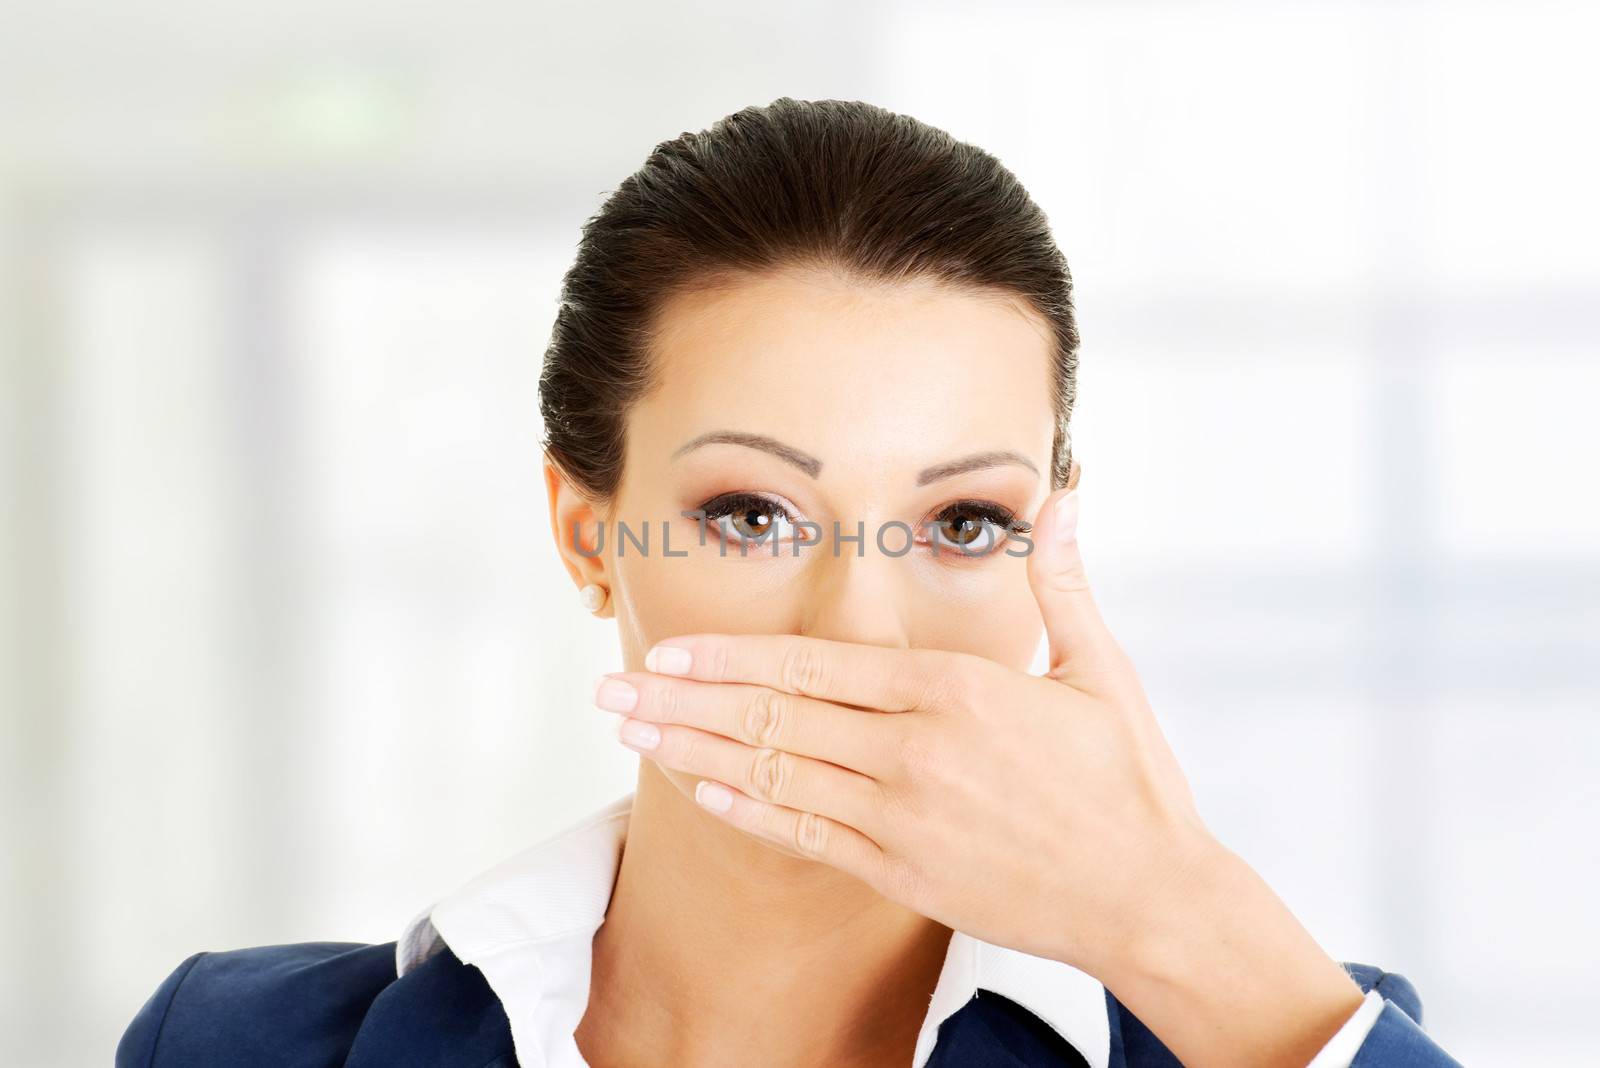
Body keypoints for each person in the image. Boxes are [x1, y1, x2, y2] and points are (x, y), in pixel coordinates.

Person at [117, 97, 1464, 1067]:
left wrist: (1178, 917)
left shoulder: (1259, 1032)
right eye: (754, 512)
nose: (863, 629)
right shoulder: (237, 1044)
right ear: (590, 536)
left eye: (963, 520)